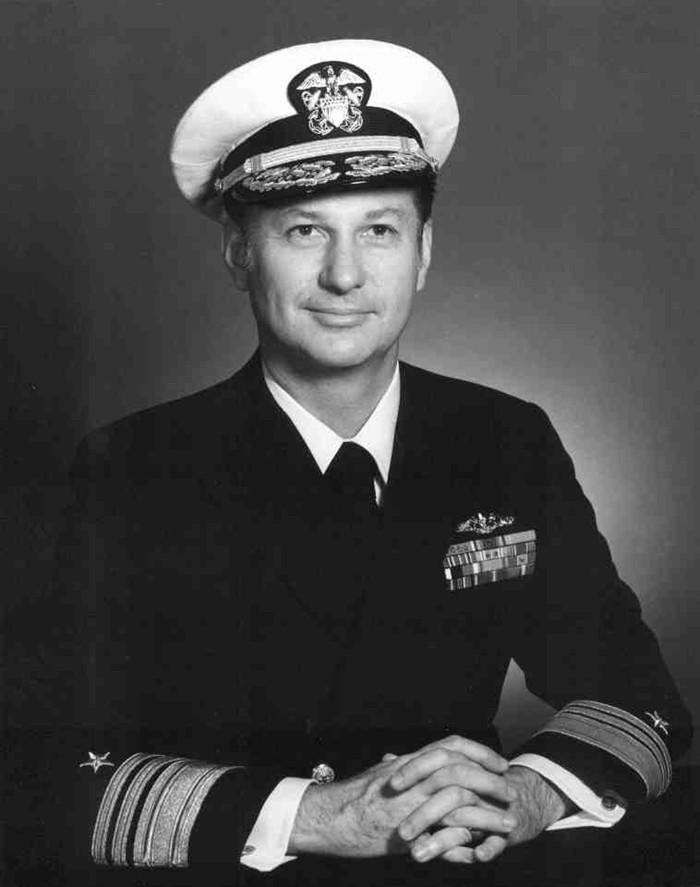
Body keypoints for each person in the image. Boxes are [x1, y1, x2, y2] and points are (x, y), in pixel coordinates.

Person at [15, 38, 692, 886]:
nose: (345, 274)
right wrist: (319, 815)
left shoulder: (506, 441)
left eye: (379, 229)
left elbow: (642, 696)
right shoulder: (131, 467)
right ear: (238, 252)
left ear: (424, 251)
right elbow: (44, 764)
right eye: (305, 231)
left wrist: (524, 793)